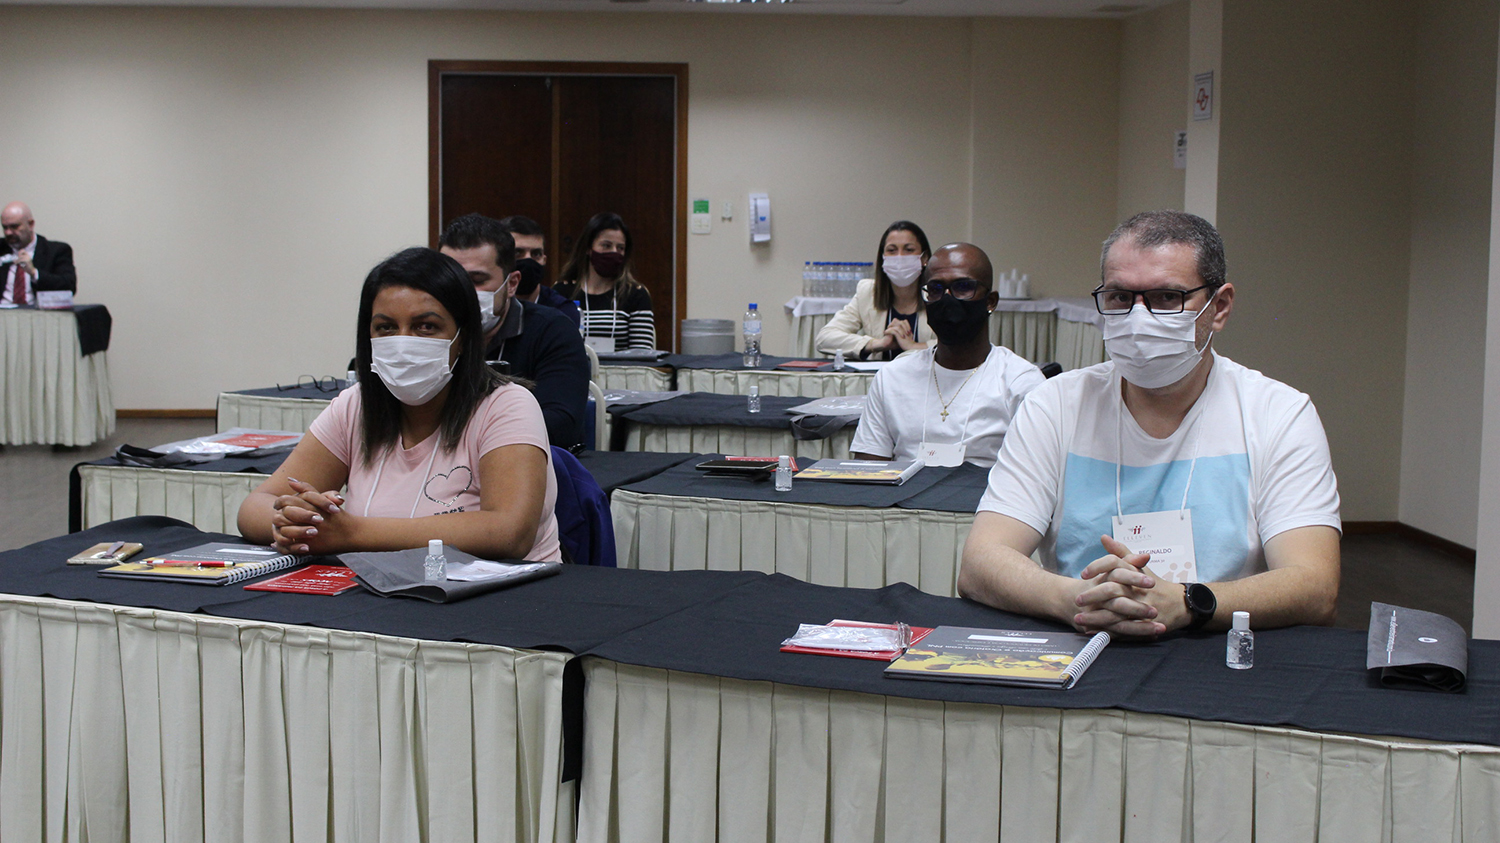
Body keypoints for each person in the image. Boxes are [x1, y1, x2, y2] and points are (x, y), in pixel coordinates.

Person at [957, 210, 1340, 637]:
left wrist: (1190, 602)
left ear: (1219, 307)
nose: (1139, 319)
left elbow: (1315, 586)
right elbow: (980, 564)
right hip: (1080, 644)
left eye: (1167, 298)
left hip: (1217, 648)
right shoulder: (1056, 405)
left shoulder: (1278, 414)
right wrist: (1077, 600)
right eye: (1120, 298)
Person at [237, 247, 561, 562]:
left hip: (501, 594)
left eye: (426, 326)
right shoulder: (356, 406)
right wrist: (296, 522)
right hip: (380, 589)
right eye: (386, 328)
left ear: (462, 337)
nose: (403, 342)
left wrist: (352, 534)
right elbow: (255, 506)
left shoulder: (507, 406)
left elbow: (509, 533)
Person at [850, 243, 1044, 468]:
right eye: (936, 289)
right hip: (906, 490)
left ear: (990, 301)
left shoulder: (1021, 382)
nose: (947, 298)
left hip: (984, 491)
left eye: (963, 287)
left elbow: (1035, 475)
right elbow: (867, 471)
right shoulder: (892, 377)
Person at [439, 213, 591, 451]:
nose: (463, 291)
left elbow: (561, 425)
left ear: (511, 284)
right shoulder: (425, 333)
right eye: (453, 280)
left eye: (477, 280)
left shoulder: (553, 331)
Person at [815, 221, 933, 360]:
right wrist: (876, 344)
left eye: (909, 250)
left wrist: (914, 346)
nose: (899, 256)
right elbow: (825, 338)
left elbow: (956, 343)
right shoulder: (867, 292)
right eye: (892, 250)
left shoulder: (939, 294)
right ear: (883, 258)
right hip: (879, 374)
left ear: (924, 258)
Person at [555, 212, 656, 351]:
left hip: (623, 366)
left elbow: (642, 353)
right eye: (606, 246)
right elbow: (552, 346)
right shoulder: (562, 292)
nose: (614, 252)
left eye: (620, 248)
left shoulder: (636, 294)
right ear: (588, 248)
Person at [498, 214, 581, 328]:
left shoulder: (563, 311)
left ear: (544, 260)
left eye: (536, 254)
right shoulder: (488, 305)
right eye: (518, 252)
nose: (528, 259)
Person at [1, 202, 76, 307]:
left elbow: (69, 287)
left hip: (38, 313)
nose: (8, 232)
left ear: (31, 224)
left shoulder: (56, 251)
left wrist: (34, 273)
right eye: (5, 227)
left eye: (14, 227)